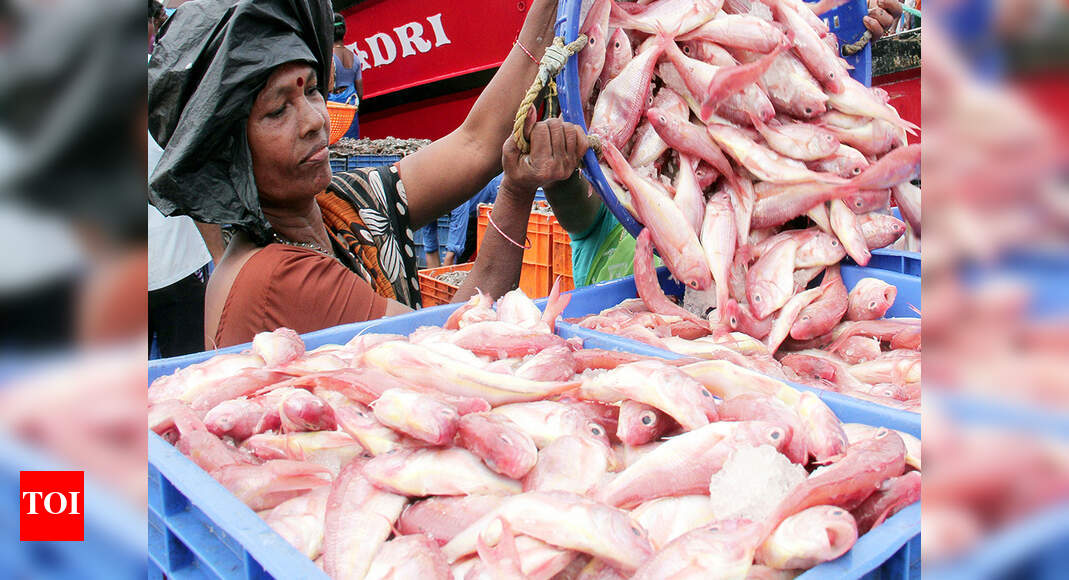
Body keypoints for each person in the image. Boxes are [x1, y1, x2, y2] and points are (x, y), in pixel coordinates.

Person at [148, 0, 587, 349]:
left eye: (312, 90)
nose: (315, 120)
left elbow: (475, 145)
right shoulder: (278, 277)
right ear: (230, 152)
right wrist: (515, 192)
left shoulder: (334, 206)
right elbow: (451, 352)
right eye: (278, 109)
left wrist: (548, 10)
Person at [328, 12, 363, 139]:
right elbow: (360, 93)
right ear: (344, 32)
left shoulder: (328, 58)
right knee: (351, 142)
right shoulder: (355, 58)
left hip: (333, 107)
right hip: (350, 105)